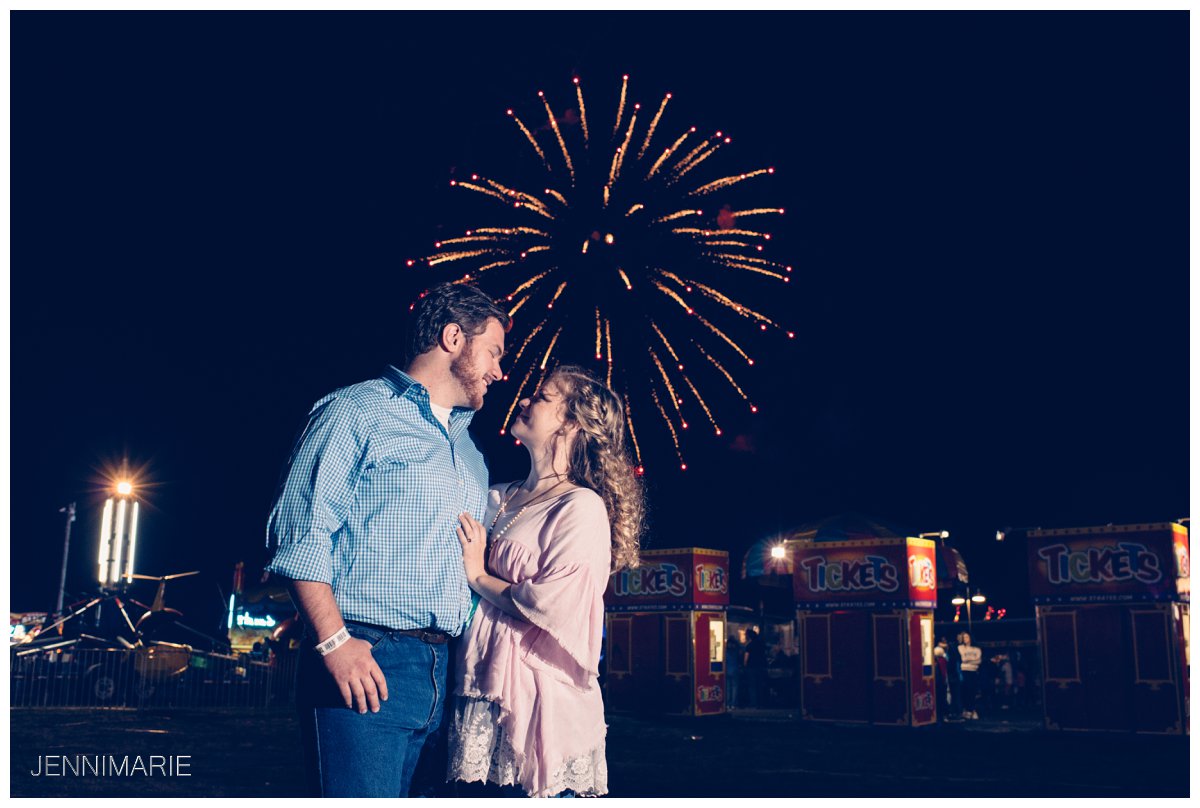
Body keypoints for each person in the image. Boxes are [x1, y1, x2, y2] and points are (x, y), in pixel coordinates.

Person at [264, 283, 510, 798]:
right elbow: (299, 535)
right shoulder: (356, 412)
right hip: (367, 655)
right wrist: (335, 644)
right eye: (494, 351)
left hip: (444, 671)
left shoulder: (470, 453)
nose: (499, 371)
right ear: (452, 338)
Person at [447, 365, 644, 798]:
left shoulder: (580, 507)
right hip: (477, 687)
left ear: (571, 423)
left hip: (539, 707)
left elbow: (551, 604)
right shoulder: (496, 494)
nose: (523, 400)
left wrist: (478, 575)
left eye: (540, 397)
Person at [958, 631, 982, 720]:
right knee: (965, 691)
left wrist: (968, 660)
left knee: (973, 691)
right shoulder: (960, 648)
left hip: (974, 671)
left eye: (967, 637)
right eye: (964, 637)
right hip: (964, 671)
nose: (965, 639)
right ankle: (966, 710)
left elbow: (979, 661)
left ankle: (971, 710)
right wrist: (972, 659)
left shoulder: (977, 649)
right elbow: (963, 659)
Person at [743, 628, 768, 708]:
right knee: (760, 685)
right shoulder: (761, 644)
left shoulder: (749, 646)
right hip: (760, 667)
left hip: (751, 668)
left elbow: (746, 658)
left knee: (752, 686)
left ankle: (753, 703)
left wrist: (744, 665)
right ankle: (761, 703)